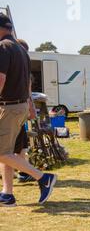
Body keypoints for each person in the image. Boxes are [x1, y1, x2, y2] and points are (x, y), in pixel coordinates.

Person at [0, 13, 57, 207]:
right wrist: (30, 107)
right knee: (8, 152)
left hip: (9, 107)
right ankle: (7, 194)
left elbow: (0, 79)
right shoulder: (20, 49)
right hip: (20, 106)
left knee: (2, 152)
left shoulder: (3, 47)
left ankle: (43, 178)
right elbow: (27, 84)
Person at [15, 39, 37, 183]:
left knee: (20, 144)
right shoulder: (22, 70)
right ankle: (24, 172)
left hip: (14, 112)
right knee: (17, 145)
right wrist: (31, 108)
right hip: (15, 112)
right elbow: (27, 93)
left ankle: (22, 172)